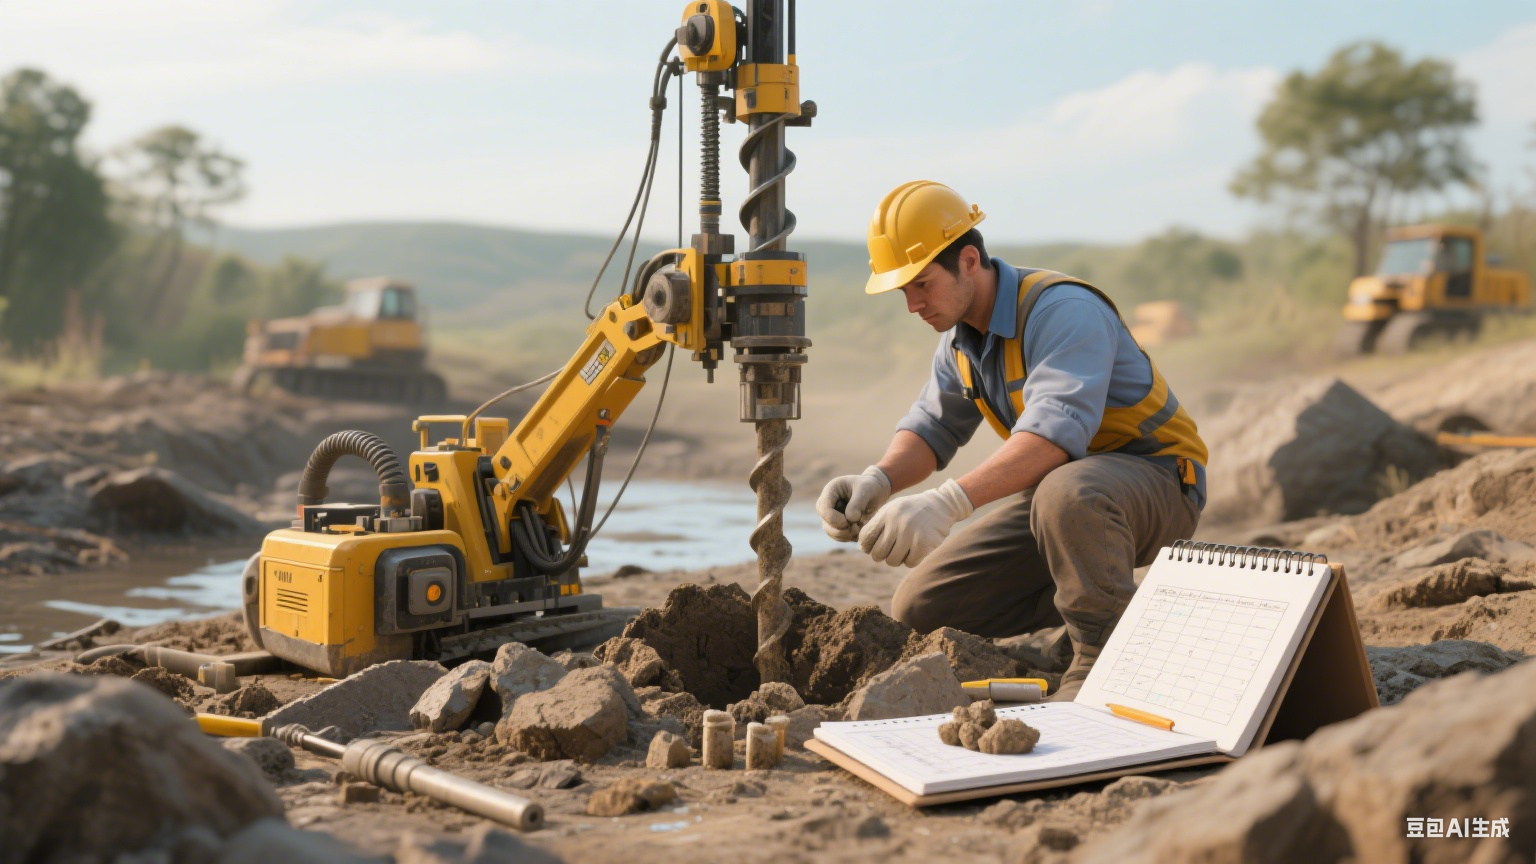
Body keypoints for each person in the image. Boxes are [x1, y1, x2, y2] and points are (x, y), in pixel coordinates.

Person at [816, 180, 1209, 700]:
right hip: (1066, 502)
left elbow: (1052, 438)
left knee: (1066, 491)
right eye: (902, 290)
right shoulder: (957, 343)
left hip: (1158, 481)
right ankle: (1101, 622)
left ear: (970, 260)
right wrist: (879, 478)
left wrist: (949, 502)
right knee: (921, 606)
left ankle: (1099, 661)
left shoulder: (1062, 311)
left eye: (922, 284)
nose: (912, 303)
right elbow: (932, 428)